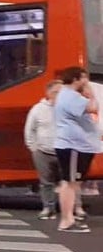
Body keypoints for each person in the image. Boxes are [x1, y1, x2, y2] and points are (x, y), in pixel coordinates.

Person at [24, 80, 84, 220]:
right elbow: (30, 129)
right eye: (56, 92)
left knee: (71, 182)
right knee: (46, 183)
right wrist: (33, 147)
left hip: (66, 152)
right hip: (43, 152)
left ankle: (76, 208)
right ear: (48, 93)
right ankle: (48, 208)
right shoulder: (38, 109)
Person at [53, 66, 99, 232]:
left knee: (72, 183)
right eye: (84, 78)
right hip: (73, 145)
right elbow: (93, 107)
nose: (87, 81)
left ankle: (69, 218)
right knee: (69, 183)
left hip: (77, 145)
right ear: (75, 79)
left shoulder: (68, 95)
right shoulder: (70, 96)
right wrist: (91, 94)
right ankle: (66, 221)